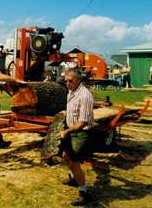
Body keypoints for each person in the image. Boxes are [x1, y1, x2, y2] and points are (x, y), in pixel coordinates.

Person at [60, 68, 94, 206]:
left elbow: (83, 122)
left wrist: (67, 131)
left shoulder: (85, 95)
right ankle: (74, 178)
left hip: (81, 132)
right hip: (71, 130)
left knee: (74, 162)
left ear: (78, 80)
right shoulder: (71, 91)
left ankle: (84, 192)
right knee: (65, 156)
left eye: (70, 81)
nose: (68, 83)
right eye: (66, 81)